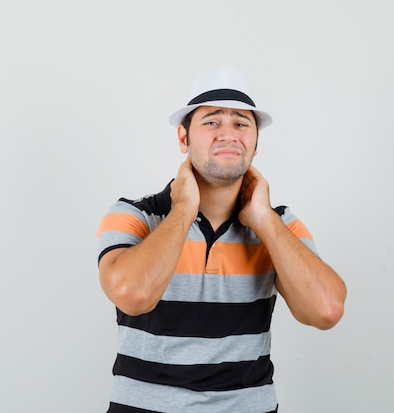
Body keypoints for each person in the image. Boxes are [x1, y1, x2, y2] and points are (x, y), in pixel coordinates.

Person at [96, 65, 347, 413]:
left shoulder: (280, 226)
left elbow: (327, 310)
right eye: (212, 121)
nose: (228, 134)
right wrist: (183, 208)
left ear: (256, 143)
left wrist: (262, 219)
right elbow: (133, 295)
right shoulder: (133, 216)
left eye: (241, 123)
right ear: (183, 139)